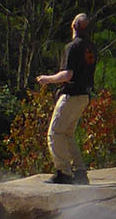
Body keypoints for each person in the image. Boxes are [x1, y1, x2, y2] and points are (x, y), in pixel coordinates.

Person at [35, 13, 96, 184]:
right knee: (68, 134)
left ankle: (64, 173)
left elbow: (68, 75)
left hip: (71, 95)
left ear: (73, 26)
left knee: (54, 133)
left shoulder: (72, 47)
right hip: (84, 96)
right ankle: (80, 172)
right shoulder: (91, 47)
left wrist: (46, 79)